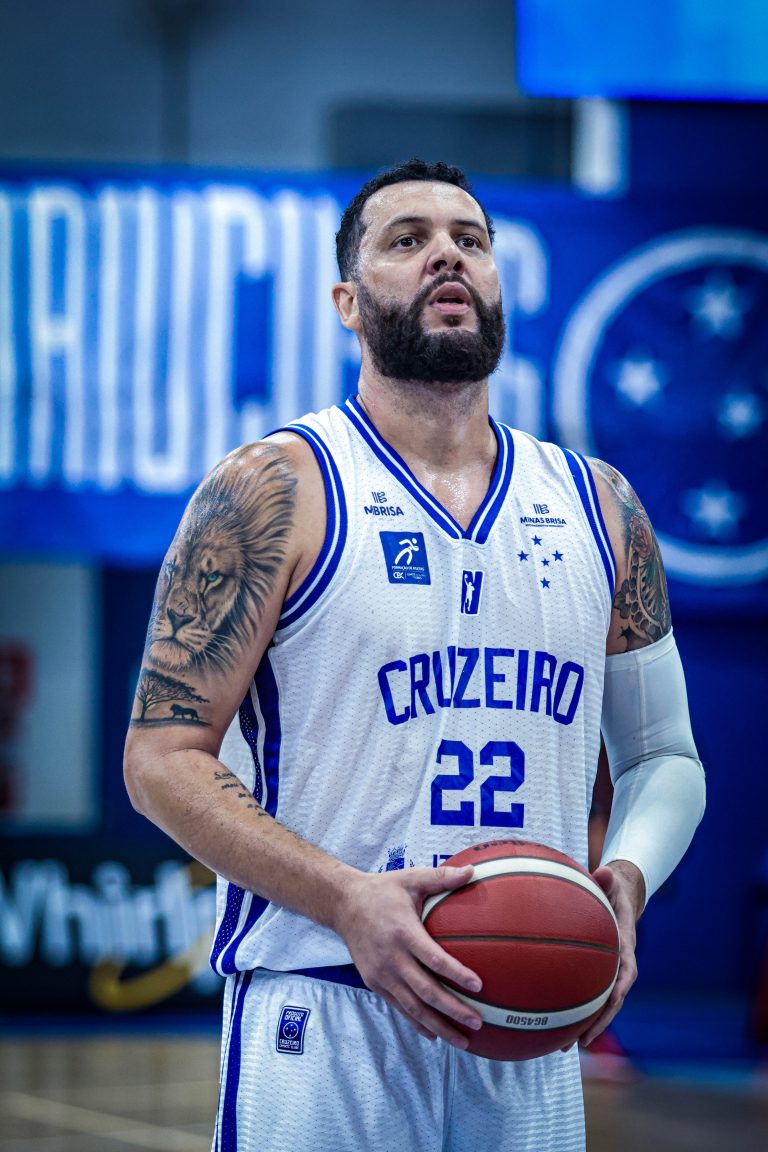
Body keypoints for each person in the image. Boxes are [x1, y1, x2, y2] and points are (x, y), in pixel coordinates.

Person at [124, 159, 706, 1151]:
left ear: (497, 285)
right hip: (328, 1001)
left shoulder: (600, 506)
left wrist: (627, 878)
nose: (448, 255)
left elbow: (664, 757)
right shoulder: (275, 489)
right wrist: (346, 899)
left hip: (529, 1023)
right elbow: (160, 759)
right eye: (408, 240)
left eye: (471, 240)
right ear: (348, 303)